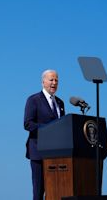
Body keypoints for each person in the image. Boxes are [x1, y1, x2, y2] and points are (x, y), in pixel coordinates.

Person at [24, 69, 65, 200]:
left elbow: (63, 125)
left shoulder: (60, 103)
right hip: (38, 151)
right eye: (51, 80)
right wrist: (49, 128)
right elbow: (28, 124)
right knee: (39, 191)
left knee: (55, 190)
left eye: (56, 80)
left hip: (57, 154)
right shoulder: (34, 100)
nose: (54, 83)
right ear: (43, 82)